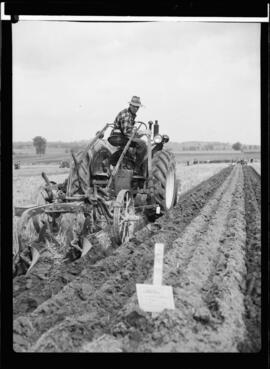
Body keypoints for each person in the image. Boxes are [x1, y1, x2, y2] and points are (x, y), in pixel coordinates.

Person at [110, 96, 147, 169]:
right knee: (142, 144)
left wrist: (137, 133)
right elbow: (127, 132)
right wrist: (142, 132)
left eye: (137, 107)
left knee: (129, 148)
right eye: (134, 106)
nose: (136, 109)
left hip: (117, 136)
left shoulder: (129, 114)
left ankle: (112, 161)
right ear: (130, 105)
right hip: (119, 137)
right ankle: (136, 167)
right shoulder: (127, 115)